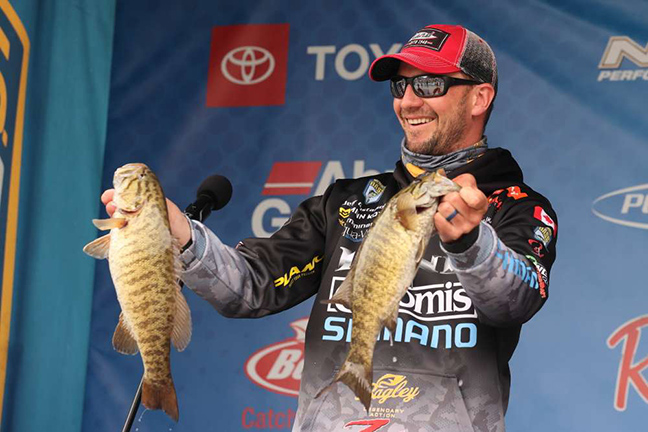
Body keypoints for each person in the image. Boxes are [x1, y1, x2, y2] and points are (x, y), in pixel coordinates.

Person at [103, 24, 557, 432]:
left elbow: (515, 303)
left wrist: (472, 244)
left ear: (480, 97)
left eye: (430, 83)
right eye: (401, 85)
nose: (409, 100)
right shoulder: (345, 202)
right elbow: (251, 287)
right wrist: (180, 233)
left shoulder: (517, 207)